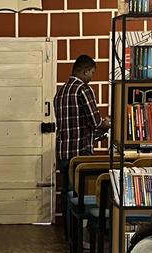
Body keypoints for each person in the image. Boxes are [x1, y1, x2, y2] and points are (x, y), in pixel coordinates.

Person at [54, 55, 110, 227]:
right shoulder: (83, 89)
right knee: (80, 194)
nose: (91, 77)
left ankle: (69, 234)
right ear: (85, 71)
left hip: (63, 151)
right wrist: (107, 123)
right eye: (92, 73)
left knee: (67, 193)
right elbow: (95, 122)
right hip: (79, 153)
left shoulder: (60, 92)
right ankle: (82, 235)